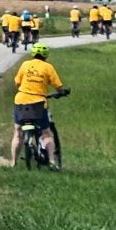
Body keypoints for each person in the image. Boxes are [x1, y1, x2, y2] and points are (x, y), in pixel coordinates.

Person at [10, 42, 69, 170]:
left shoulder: (25, 64)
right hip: (38, 102)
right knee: (46, 133)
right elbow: (58, 86)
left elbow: (17, 83)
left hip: (21, 100)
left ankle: (13, 162)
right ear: (46, 55)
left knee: (18, 132)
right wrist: (61, 92)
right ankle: (52, 161)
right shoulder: (48, 67)